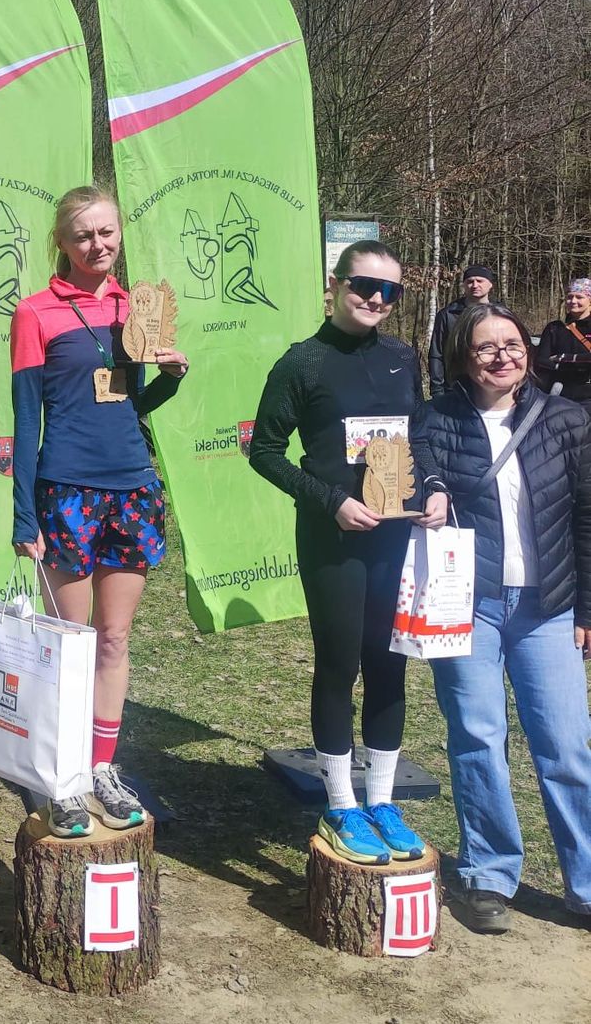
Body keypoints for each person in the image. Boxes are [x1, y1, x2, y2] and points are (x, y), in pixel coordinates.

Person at [249, 241, 445, 866]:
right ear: (334, 285)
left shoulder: (402, 357)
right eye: (364, 285)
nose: (376, 299)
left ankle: (381, 801)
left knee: (389, 665)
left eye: (390, 291)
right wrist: (330, 500)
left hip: (395, 535)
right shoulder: (302, 362)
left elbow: (419, 435)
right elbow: (265, 451)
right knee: (339, 665)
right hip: (334, 538)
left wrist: (434, 487)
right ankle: (340, 804)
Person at [9, 187, 188, 838]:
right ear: (62, 242)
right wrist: (23, 516)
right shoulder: (35, 313)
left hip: (133, 489)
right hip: (67, 493)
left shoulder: (135, 308)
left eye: (107, 232)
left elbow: (129, 405)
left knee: (113, 640)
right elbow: (26, 421)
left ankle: (102, 768)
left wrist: (169, 377)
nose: (98, 245)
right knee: (70, 646)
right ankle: (62, 776)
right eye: (83, 235)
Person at [412, 302, 591, 933]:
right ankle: (488, 874)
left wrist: (587, 608)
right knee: (478, 738)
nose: (502, 356)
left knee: (566, 746)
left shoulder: (567, 420)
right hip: (468, 604)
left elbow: (587, 517)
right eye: (486, 347)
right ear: (464, 356)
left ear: (529, 351)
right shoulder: (434, 418)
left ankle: (586, 882)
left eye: (512, 344)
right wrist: (428, 490)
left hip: (549, 607)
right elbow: (415, 472)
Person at [428, 264, 495, 396]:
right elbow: (436, 354)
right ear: (464, 285)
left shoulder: (501, 315)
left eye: (480, 281)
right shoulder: (448, 315)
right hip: (456, 390)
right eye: (470, 281)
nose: (475, 285)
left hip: (492, 388)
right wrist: (437, 390)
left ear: (490, 284)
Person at [533, 277, 591, 406]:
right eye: (570, 297)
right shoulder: (555, 328)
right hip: (561, 396)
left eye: (579, 297)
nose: (573, 301)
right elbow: (541, 360)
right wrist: (577, 365)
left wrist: (563, 358)